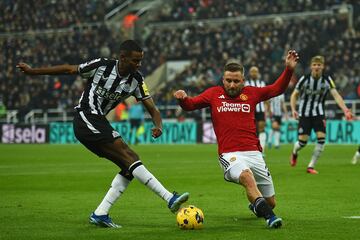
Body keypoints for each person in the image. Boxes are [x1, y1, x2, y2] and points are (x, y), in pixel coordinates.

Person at [16, 40, 189, 228]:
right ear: (122, 57)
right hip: (85, 116)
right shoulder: (101, 66)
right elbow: (68, 69)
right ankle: (169, 198)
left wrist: (159, 126)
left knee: (129, 165)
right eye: (135, 60)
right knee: (128, 155)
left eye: (140, 60)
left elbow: (153, 109)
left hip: (99, 121)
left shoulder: (136, 80)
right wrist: (34, 72)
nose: (139, 64)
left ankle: (100, 214)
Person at [174, 50, 299, 228]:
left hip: (254, 154)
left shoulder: (252, 93)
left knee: (270, 201)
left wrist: (288, 70)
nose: (232, 85)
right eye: (228, 80)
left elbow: (277, 89)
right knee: (247, 177)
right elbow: (191, 105)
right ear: (223, 80)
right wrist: (183, 99)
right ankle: (270, 218)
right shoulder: (213, 94)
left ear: (243, 81)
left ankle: (259, 205)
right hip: (230, 155)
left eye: (236, 81)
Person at [290, 55, 353, 174]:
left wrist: (345, 110)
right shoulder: (304, 79)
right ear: (311, 67)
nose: (316, 67)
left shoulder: (327, 80)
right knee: (302, 143)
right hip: (304, 114)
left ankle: (311, 166)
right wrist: (293, 109)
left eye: (319, 65)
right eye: (314, 65)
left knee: (321, 139)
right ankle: (295, 152)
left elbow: (336, 95)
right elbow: (294, 95)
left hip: (319, 113)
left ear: (323, 66)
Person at [245, 67, 269, 154]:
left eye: (255, 72)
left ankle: (261, 150)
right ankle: (252, 149)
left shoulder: (262, 83)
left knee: (262, 128)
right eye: (252, 72)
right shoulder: (246, 84)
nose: (254, 73)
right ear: (250, 73)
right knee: (252, 130)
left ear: (258, 73)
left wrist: (267, 110)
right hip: (250, 111)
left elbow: (266, 97)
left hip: (261, 110)